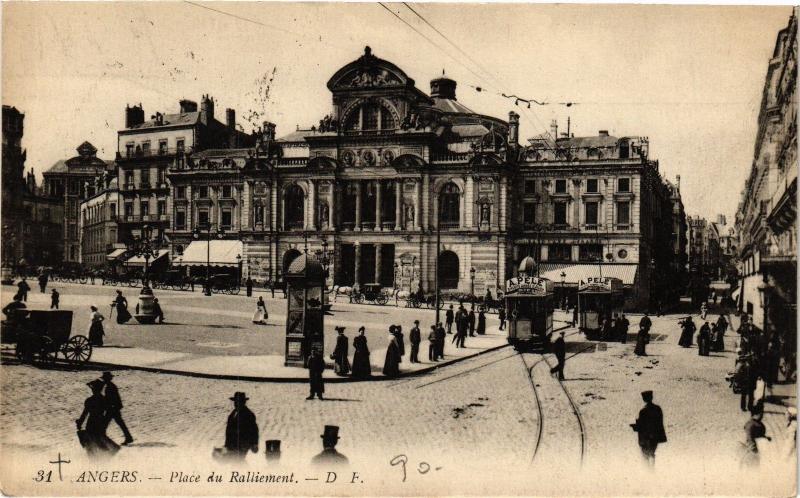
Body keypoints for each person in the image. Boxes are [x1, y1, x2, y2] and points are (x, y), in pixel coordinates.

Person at [76, 379, 119, 456]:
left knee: (91, 443)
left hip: (91, 423)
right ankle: (106, 455)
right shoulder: (104, 399)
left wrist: (79, 423)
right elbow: (109, 411)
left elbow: (84, 414)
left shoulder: (89, 400)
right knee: (100, 439)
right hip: (100, 422)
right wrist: (105, 421)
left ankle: (95, 458)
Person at [630, 390, 667, 466]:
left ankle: (648, 472)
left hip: (645, 438)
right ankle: (652, 470)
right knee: (652, 453)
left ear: (644, 399)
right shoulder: (657, 409)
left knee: (645, 457)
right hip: (655, 436)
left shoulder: (643, 411)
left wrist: (634, 427)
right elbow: (659, 423)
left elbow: (642, 426)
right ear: (651, 397)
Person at [223, 392, 259, 459]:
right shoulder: (233, 414)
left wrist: (254, 443)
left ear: (243, 402)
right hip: (231, 445)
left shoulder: (248, 414)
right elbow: (228, 431)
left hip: (242, 446)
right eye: (235, 402)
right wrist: (226, 446)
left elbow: (254, 430)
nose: (235, 404)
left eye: (238, 402)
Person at [101, 372, 133, 445]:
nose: (104, 380)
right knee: (120, 423)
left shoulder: (110, 387)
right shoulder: (110, 386)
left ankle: (102, 439)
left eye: (105, 379)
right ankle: (129, 437)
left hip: (112, 408)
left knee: (105, 424)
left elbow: (111, 398)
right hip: (114, 408)